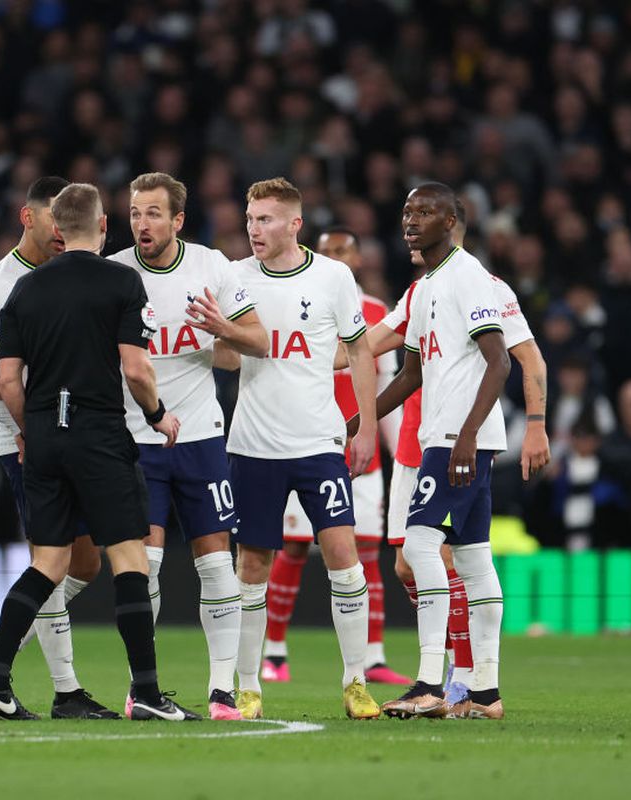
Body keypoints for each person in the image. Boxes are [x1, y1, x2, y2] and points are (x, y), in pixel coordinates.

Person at [0, 182, 197, 721]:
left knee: (47, 564)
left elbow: (8, 380)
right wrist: (159, 415)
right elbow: (136, 368)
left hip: (43, 437)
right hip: (98, 433)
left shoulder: (24, 289)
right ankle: (145, 692)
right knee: (129, 559)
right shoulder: (121, 280)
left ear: (56, 230)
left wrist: (32, 429)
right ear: (103, 227)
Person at [354, 196, 548, 709]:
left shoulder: (468, 277)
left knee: (419, 548)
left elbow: (500, 362)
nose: (409, 222)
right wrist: (363, 418)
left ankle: (430, 685)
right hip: (447, 437)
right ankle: (484, 690)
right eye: (405, 214)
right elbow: (412, 373)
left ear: (450, 221)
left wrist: (467, 435)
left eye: (422, 213)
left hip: (457, 440)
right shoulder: (425, 288)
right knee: (474, 559)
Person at [109, 172, 268, 720]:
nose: (141, 224)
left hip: (200, 438)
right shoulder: (115, 273)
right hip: (136, 440)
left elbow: (259, 339)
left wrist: (221, 327)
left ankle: (222, 690)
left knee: (218, 568)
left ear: (178, 220)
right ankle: (142, 687)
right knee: (145, 567)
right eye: (134, 213)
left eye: (153, 213)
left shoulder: (211, 267)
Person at [0, 175, 118, 719]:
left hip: (79, 436)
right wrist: (19, 415)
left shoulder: (83, 271)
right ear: (29, 219)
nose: (62, 231)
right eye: (53, 220)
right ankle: (66, 691)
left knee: (85, 563)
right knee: (50, 561)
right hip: (24, 442)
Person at [224, 178, 381, 721]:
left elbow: (360, 353)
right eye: (250, 219)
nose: (254, 229)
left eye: (266, 219)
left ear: (295, 224)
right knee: (253, 565)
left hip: (318, 441)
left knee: (344, 556)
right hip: (253, 444)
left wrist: (364, 428)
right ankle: (248, 686)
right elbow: (225, 359)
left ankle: (356, 683)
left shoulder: (334, 276)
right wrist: (219, 337)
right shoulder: (235, 277)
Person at [262, 227, 411, 686]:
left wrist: (393, 445)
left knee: (366, 549)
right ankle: (275, 652)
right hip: (304, 442)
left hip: (360, 450)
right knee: (291, 547)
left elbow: (387, 387)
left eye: (343, 249)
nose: (334, 256)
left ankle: (373, 656)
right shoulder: (293, 298)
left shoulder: (375, 313)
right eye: (326, 251)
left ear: (359, 259)